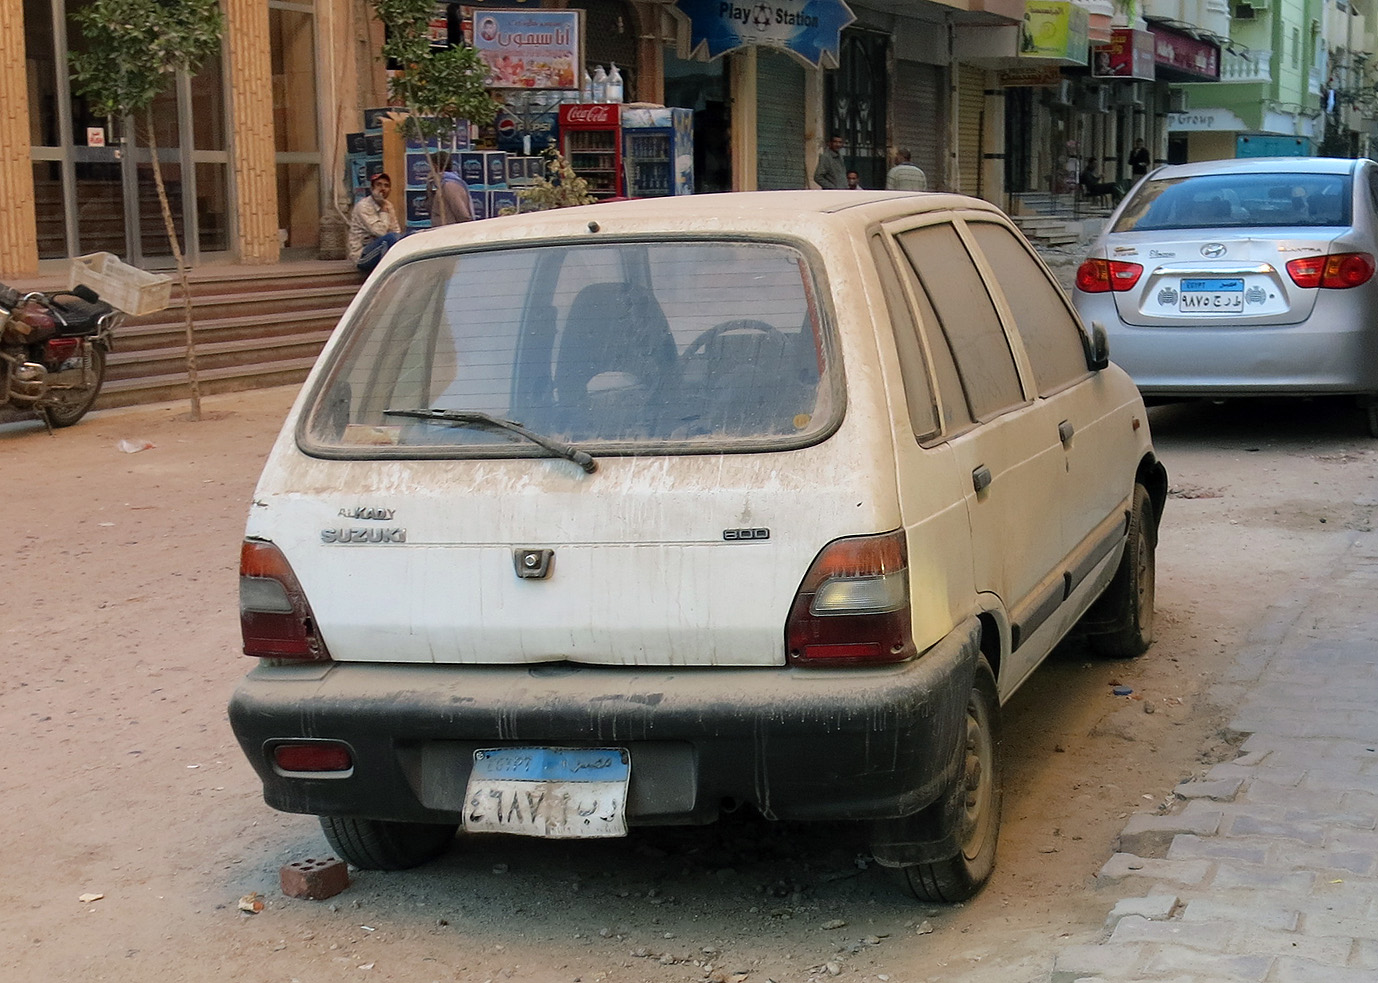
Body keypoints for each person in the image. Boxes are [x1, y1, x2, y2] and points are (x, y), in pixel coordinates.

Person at [347, 172, 402, 274]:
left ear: (390, 190)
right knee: (390, 239)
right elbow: (380, 232)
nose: (382, 189)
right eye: (379, 185)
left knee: (409, 235)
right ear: (372, 188)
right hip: (362, 256)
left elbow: (396, 230)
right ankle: (388, 274)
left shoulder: (389, 205)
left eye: (386, 186)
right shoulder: (363, 206)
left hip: (381, 247)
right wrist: (383, 210)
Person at [429, 153, 473, 226]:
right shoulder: (440, 184)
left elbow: (461, 212)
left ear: (435, 166)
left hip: (450, 229)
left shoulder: (449, 185)